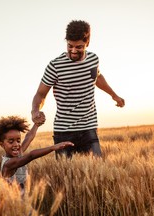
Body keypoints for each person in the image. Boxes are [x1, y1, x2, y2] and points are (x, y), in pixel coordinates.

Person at [31, 20, 125, 158]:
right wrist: (35, 111)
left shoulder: (93, 59)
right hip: (64, 131)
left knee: (96, 172)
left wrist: (114, 95)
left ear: (87, 43)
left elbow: (97, 78)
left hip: (89, 128)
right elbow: (40, 94)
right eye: (70, 46)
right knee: (66, 176)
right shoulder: (55, 66)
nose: (73, 51)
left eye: (79, 47)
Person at [0, 115, 73, 193]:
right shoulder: (8, 164)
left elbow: (29, 137)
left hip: (24, 201)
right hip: (14, 204)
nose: (16, 144)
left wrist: (36, 125)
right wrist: (52, 147)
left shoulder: (19, 153)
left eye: (18, 141)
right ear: (2, 144)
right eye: (11, 142)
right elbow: (31, 155)